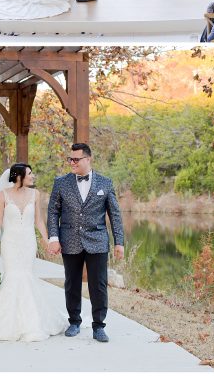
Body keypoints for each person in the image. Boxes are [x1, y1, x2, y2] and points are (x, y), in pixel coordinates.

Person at [0, 163, 69, 342]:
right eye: (30, 173)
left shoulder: (35, 194)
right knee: (12, 276)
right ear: (19, 176)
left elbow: (39, 221)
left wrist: (48, 241)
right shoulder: (3, 195)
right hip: (10, 243)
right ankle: (4, 323)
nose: (33, 176)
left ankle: (31, 322)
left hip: (28, 243)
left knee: (27, 275)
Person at [47, 144, 125, 343]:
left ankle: (99, 326)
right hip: (69, 239)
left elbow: (114, 214)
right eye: (70, 159)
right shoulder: (61, 182)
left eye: (76, 159)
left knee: (98, 285)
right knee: (71, 283)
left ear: (88, 159)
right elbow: (53, 211)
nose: (72, 162)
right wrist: (54, 238)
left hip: (97, 240)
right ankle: (74, 321)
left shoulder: (105, 183)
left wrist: (119, 242)